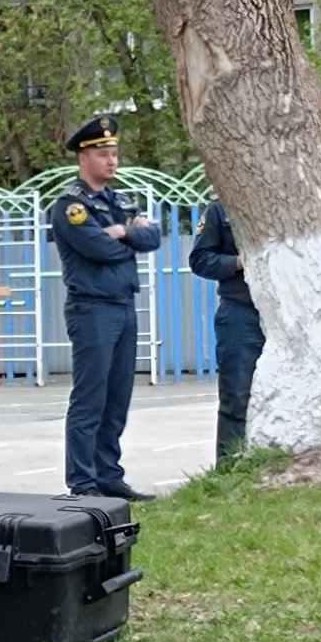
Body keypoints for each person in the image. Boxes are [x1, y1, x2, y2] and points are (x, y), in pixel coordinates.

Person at [50, 115, 161, 500]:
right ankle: (83, 483)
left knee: (117, 398)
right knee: (90, 399)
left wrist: (124, 231)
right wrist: (129, 235)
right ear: (84, 157)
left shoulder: (119, 201)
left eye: (114, 153)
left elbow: (153, 238)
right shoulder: (71, 206)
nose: (112, 161)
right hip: (93, 308)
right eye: (103, 153)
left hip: (124, 306)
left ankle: (109, 475)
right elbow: (99, 248)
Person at [188, 200, 260, 462]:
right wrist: (239, 262)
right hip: (242, 311)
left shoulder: (291, 202)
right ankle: (230, 468)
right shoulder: (222, 208)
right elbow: (199, 259)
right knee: (237, 394)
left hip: (289, 314)